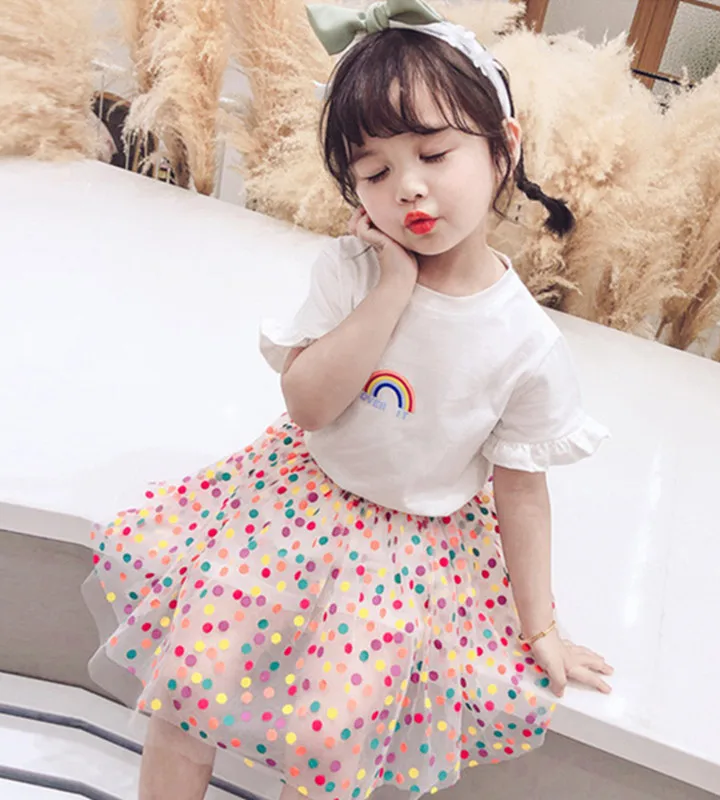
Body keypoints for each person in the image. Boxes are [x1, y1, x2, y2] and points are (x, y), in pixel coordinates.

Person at [84, 1, 614, 798]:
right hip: (292, 506)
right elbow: (308, 405)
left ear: (503, 147)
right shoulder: (353, 270)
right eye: (374, 172)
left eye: (434, 153)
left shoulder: (524, 343)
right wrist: (392, 287)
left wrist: (540, 625)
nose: (409, 188)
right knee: (188, 694)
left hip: (406, 558)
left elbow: (522, 493)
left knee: (332, 741)